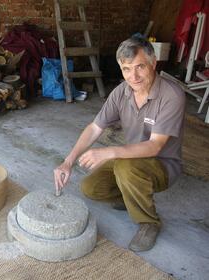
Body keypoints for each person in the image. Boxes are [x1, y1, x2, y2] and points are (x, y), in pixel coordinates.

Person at [53, 37, 185, 252]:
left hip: (163, 165)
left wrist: (108, 152)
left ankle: (149, 222)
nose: (133, 76)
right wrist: (67, 162)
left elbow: (155, 147)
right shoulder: (121, 92)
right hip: (130, 157)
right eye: (126, 69)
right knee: (91, 188)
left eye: (140, 67)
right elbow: (95, 127)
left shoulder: (171, 95)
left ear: (153, 63)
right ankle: (131, 196)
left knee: (125, 167)